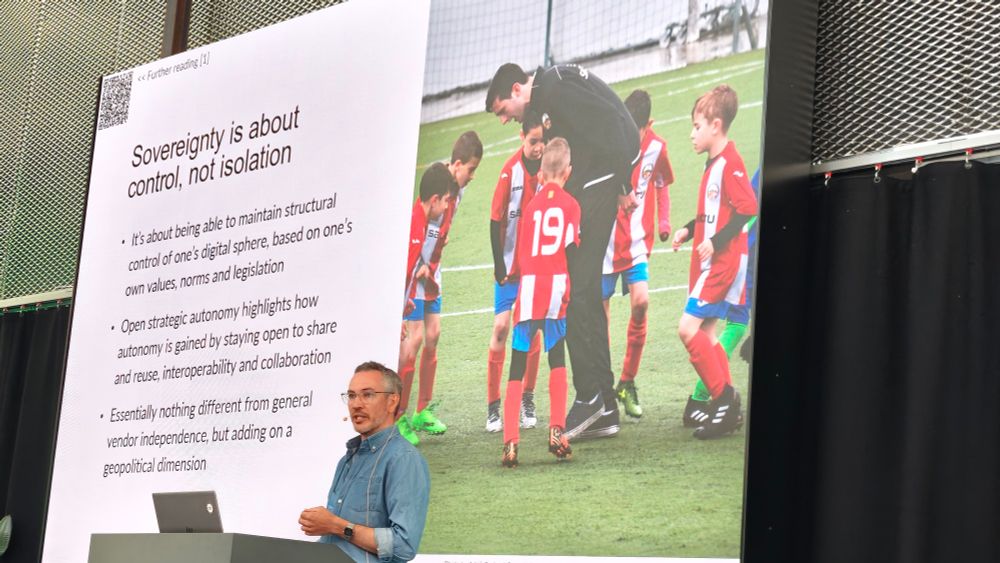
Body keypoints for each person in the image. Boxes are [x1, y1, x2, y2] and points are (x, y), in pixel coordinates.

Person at [485, 62, 640, 441]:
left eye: (504, 111)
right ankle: (603, 403)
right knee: (580, 289)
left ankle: (591, 398)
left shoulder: (554, 92)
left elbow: (610, 124)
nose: (506, 120)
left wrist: (622, 178)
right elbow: (605, 121)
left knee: (575, 290)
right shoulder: (552, 86)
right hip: (604, 176)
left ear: (518, 90)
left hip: (601, 179)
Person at [671, 85, 758, 439]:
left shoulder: (730, 163)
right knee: (705, 334)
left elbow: (748, 208)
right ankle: (724, 405)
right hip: (712, 261)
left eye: (696, 126)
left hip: (722, 264)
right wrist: (689, 230)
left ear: (716, 125)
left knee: (687, 329)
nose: (692, 133)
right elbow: (715, 213)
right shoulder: (715, 165)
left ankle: (724, 399)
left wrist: (713, 241)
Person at [398, 132, 482, 445]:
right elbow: (417, 233)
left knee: (433, 336)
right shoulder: (437, 188)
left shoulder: (455, 191)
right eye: (471, 170)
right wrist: (420, 268)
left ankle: (422, 410)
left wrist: (432, 266)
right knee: (415, 339)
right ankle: (399, 417)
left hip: (433, 269)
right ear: (456, 164)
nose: (472, 177)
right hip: (418, 270)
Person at [299, 361, 430, 562]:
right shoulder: (347, 460)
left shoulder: (403, 459)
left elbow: (403, 546)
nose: (356, 404)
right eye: (351, 396)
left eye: (367, 395)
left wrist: (335, 525)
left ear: (392, 402)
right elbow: (339, 545)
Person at [501, 138, 579, 467]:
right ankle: (556, 431)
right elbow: (572, 250)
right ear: (568, 172)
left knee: (517, 367)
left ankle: (510, 443)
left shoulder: (531, 207)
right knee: (557, 359)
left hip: (529, 290)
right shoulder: (572, 204)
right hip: (556, 289)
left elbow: (520, 256)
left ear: (542, 172)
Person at [603, 89, 675, 419]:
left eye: (639, 131)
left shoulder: (658, 148)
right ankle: (602, 388)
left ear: (650, 125)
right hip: (605, 243)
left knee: (641, 303)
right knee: (598, 317)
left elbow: (661, 182)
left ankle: (627, 382)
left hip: (635, 242)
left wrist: (663, 220)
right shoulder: (609, 141)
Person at [683, 168, 759, 428]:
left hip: (739, 254)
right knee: (722, 329)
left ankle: (720, 405)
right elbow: (742, 211)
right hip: (743, 255)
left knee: (710, 329)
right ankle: (703, 400)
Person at [485, 110, 546, 433]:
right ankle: (493, 406)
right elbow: (495, 219)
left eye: (542, 142)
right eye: (533, 141)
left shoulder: (550, 171)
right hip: (509, 270)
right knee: (500, 328)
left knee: (532, 330)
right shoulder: (510, 173)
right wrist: (499, 264)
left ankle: (527, 396)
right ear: (522, 138)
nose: (538, 148)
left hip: (536, 270)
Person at [403, 163, 459, 319]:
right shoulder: (416, 230)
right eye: (446, 200)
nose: (447, 206)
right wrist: (397, 316)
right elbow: (402, 276)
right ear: (434, 200)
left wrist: (404, 302)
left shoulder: (419, 223)